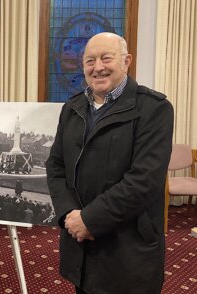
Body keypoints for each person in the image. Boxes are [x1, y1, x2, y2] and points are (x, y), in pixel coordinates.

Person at [45, 32, 174, 294]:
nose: (98, 67)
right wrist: (68, 214)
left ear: (126, 61)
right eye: (90, 61)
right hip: (79, 244)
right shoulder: (72, 109)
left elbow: (144, 180)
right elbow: (55, 167)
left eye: (106, 58)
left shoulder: (154, 109)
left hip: (128, 249)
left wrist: (89, 220)